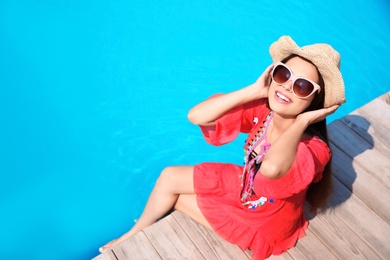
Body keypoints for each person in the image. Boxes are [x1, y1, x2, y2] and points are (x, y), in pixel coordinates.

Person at [100, 35, 346, 259]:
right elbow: (196, 116)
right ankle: (131, 234)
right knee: (169, 177)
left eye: (302, 87)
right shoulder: (264, 113)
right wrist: (253, 90)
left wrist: (302, 120)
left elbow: (271, 169)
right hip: (245, 186)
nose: (286, 87)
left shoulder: (314, 149)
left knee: (176, 197)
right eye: (282, 74)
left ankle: (138, 232)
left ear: (315, 101)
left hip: (265, 219)